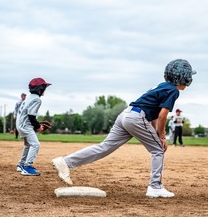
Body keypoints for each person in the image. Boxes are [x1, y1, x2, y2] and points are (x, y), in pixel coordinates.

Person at [52, 59, 196, 198]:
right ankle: (155, 187)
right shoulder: (173, 90)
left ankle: (65, 162)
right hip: (136, 118)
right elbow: (163, 115)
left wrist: (157, 135)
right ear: (182, 77)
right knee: (158, 149)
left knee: (104, 147)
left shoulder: (162, 86)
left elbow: (154, 116)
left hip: (126, 115)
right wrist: (161, 136)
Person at [16, 77, 51, 176]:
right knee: (35, 145)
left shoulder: (29, 98)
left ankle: (21, 164)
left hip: (20, 125)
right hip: (25, 126)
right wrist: (38, 126)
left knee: (28, 145)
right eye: (44, 87)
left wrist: (36, 124)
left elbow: (27, 115)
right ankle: (27, 167)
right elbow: (31, 116)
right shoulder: (37, 99)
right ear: (40, 88)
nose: (45, 89)